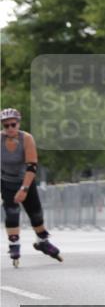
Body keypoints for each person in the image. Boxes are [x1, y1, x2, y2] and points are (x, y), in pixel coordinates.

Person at [1, 108, 63, 267]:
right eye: (5, 125)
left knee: (35, 214)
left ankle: (42, 241)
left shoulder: (26, 138)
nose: (9, 128)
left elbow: (32, 166)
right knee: (11, 212)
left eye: (13, 124)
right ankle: (14, 244)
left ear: (18, 123)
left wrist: (24, 189)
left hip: (26, 180)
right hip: (6, 181)